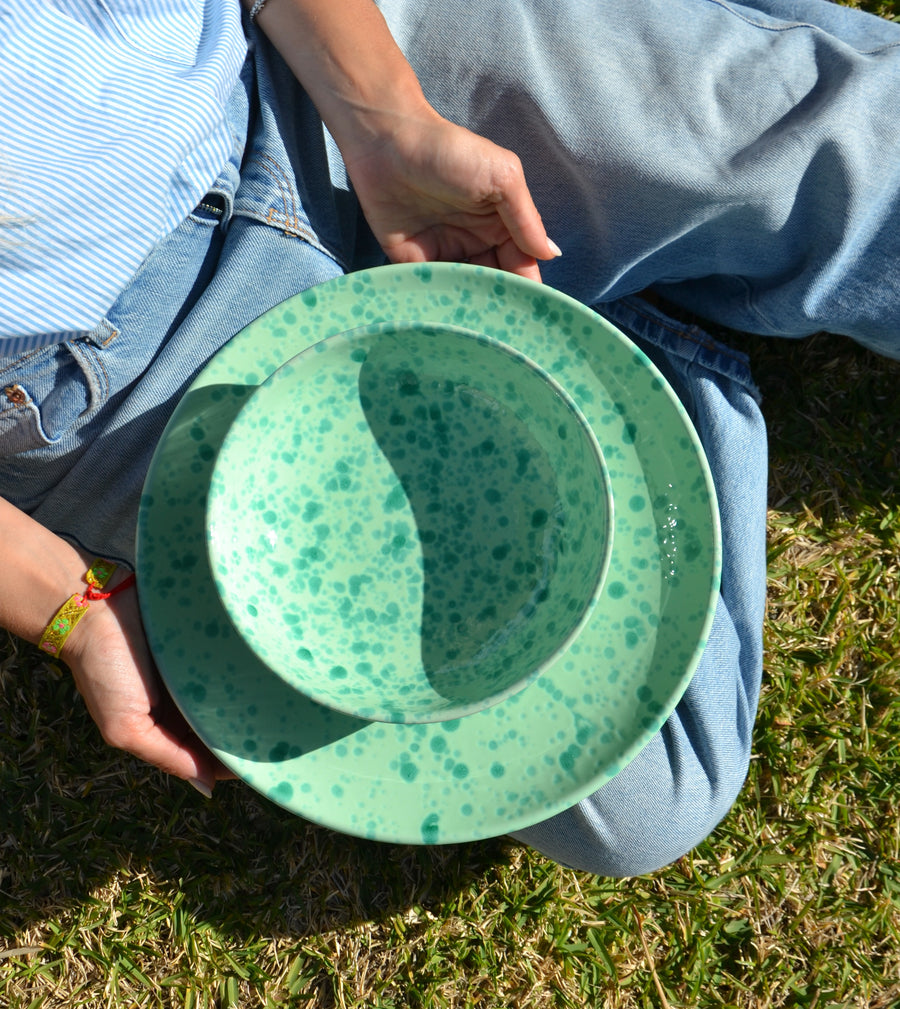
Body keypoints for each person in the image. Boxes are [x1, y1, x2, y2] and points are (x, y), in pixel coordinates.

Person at [1, 0, 897, 876]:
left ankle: (611, 309)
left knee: (838, 158)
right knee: (647, 788)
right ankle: (627, 348)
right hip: (120, 383)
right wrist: (64, 604)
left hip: (291, 72)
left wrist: (383, 112)